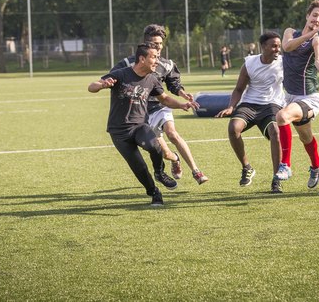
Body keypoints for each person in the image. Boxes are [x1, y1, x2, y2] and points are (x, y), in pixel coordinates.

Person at [88, 43, 199, 207]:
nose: (157, 61)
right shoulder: (121, 74)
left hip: (140, 125)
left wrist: (182, 105)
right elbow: (92, 87)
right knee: (139, 167)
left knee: (154, 146)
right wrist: (102, 85)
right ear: (142, 59)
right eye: (154, 57)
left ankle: (160, 172)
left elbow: (165, 99)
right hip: (118, 132)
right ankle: (154, 192)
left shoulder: (152, 79)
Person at [112, 24, 208, 184]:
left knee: (172, 134)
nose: (158, 47)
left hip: (160, 107)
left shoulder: (166, 64)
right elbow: (113, 76)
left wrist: (182, 93)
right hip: (141, 114)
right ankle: (175, 159)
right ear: (146, 44)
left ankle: (196, 171)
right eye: (155, 44)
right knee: (164, 153)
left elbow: (173, 84)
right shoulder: (128, 63)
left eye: (160, 44)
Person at [274, 0, 319, 189]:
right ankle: (317, 166)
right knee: (305, 138)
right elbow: (287, 47)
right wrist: (308, 34)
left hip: (308, 98)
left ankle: (285, 165)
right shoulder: (290, 32)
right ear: (307, 16)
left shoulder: (318, 40)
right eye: (315, 15)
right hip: (290, 96)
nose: (317, 19)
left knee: (282, 116)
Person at [215, 32, 285, 193]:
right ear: (263, 47)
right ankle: (247, 167)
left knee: (275, 132)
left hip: (271, 105)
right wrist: (231, 107)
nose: (277, 49)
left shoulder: (283, 63)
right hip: (249, 104)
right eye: (274, 46)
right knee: (233, 128)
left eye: (279, 46)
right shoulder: (250, 63)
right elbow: (239, 89)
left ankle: (277, 178)